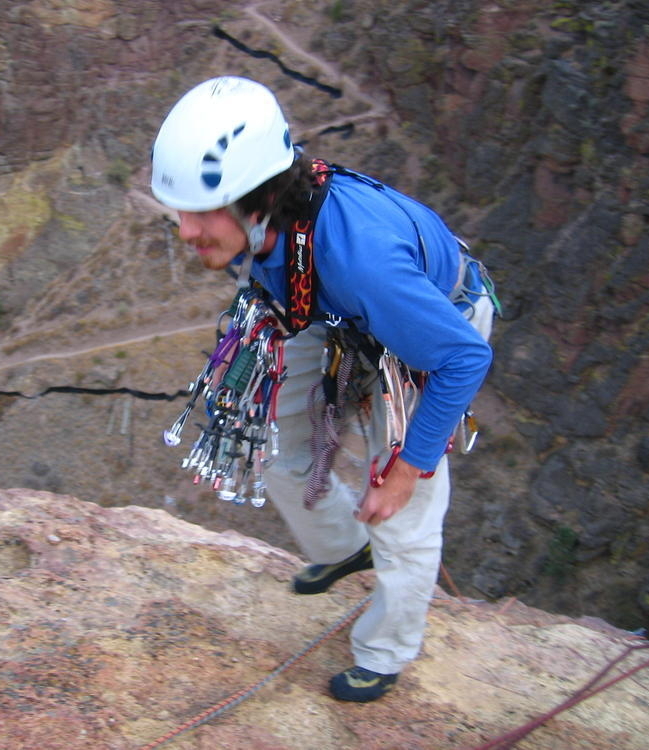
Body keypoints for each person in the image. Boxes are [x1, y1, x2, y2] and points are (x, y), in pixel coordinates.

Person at [150, 76, 495, 702]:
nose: (185, 231)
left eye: (202, 213)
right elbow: (287, 279)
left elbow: (463, 360)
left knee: (401, 515)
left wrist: (407, 469)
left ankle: (385, 652)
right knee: (272, 439)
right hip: (331, 307)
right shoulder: (276, 224)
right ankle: (342, 548)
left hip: (428, 331)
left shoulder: (362, 259)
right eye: (182, 213)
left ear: (258, 202)